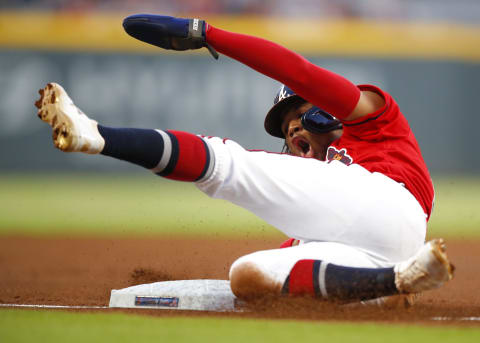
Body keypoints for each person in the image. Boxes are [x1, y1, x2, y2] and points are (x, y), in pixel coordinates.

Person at [35, 14, 454, 307]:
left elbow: (301, 73)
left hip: (391, 205)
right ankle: (393, 289)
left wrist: (209, 34)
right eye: (287, 126)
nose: (294, 129)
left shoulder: (377, 123)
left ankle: (97, 136)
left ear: (330, 111)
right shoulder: (321, 193)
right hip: (387, 255)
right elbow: (299, 251)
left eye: (304, 114)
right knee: (249, 276)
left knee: (227, 162)